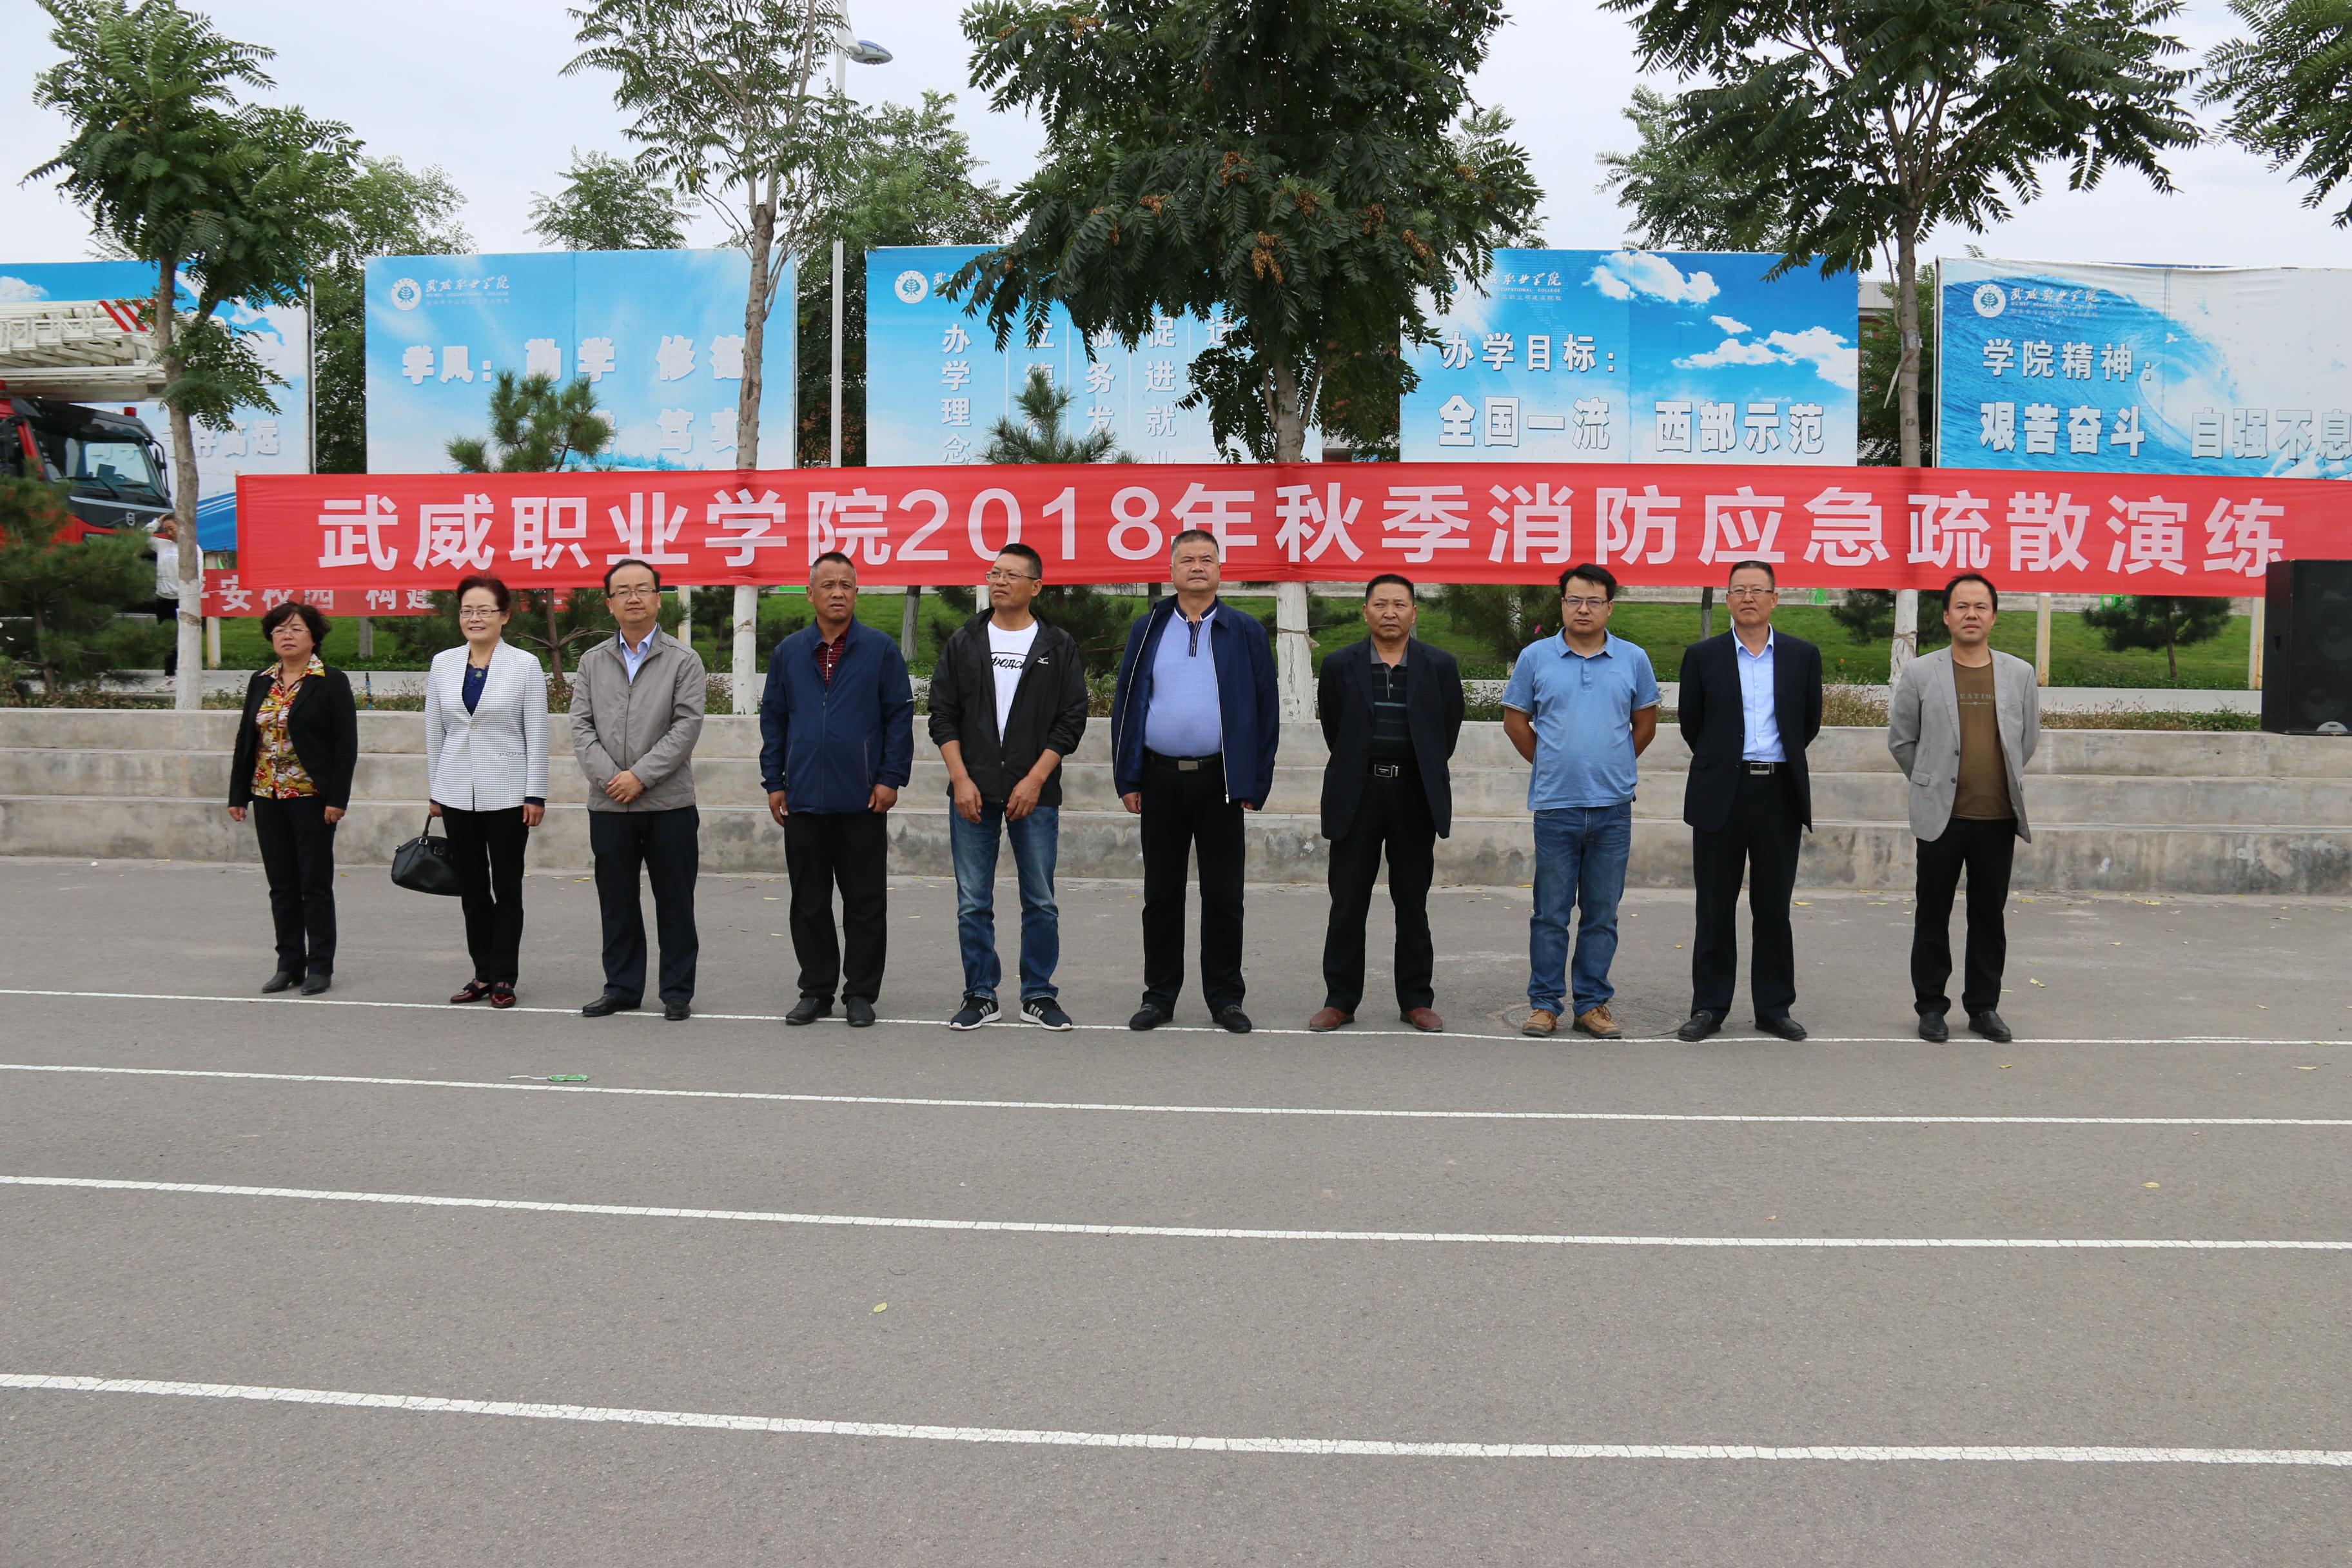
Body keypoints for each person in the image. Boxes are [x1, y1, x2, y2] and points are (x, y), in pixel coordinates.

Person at [1109, 528, 1279, 1034]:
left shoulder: (1244, 630)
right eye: (1188, 560)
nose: (1198, 567)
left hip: (1220, 780)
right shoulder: (1148, 628)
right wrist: (1128, 776)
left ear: (1221, 570)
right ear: (1172, 570)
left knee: (1224, 896)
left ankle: (1226, 998)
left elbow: (1266, 709)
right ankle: (1159, 996)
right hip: (1159, 778)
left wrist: (1255, 780)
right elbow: (1127, 703)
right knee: (1161, 895)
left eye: (1207, 559)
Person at [928, 542, 1089, 1030]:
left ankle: (1038, 994)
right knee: (973, 901)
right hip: (972, 791)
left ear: (1035, 587)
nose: (999, 581)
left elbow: (1071, 721)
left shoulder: (1057, 645)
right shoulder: (965, 641)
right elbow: (942, 715)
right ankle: (980, 993)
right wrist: (960, 779)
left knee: (1040, 899)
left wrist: (1036, 779)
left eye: (1011, 575)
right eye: (994, 573)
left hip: (1035, 793)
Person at [1502, 562, 1660, 1040]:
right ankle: (1545, 1004)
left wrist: (1613, 764)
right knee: (1550, 913)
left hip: (1613, 808)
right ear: (1562, 605)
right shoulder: (1536, 657)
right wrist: (1552, 762)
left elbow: (1645, 724)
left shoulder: (1633, 658)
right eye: (1574, 599)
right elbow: (1515, 721)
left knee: (1602, 913)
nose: (1583, 609)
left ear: (1610, 607)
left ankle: (1592, 1004)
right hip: (1556, 807)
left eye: (1594, 600)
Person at [759, 551, 914, 1029]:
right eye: (827, 585)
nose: (838, 593)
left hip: (863, 798)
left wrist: (890, 777)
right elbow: (774, 720)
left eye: (846, 584)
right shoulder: (790, 652)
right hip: (803, 796)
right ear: (810, 594)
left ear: (857, 593)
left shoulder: (880, 649)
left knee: (865, 901)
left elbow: (899, 716)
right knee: (809, 901)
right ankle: (816, 990)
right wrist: (774, 781)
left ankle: (861, 993)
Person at [1674, 560, 1825, 1042]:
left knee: (1773, 907)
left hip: (1779, 792)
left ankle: (1774, 1008)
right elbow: (1692, 723)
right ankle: (1709, 1007)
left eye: (1758, 590)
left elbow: (1808, 723)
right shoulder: (1703, 656)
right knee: (1714, 907)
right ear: (1727, 599)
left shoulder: (1803, 655)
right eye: (1738, 590)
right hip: (1722, 790)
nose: (1748, 598)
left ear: (1775, 599)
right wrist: (1725, 761)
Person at [1889, 571, 2040, 1044]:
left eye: (1980, 607)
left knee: (1989, 917)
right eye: (1961, 606)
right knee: (1932, 915)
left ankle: (1983, 1007)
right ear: (1946, 616)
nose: (1971, 614)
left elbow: (2026, 740)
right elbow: (1902, 741)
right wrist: (1931, 780)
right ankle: (1931, 1007)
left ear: (1993, 617)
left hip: (1997, 816)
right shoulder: (1921, 673)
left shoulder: (2019, 674)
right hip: (1941, 817)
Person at [1309, 573, 1464, 1034]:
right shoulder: (1339, 665)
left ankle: (1416, 1000)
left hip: (1414, 794)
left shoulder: (1439, 665)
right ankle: (1340, 1000)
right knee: (1347, 902)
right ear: (1366, 612)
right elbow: (1335, 729)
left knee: (1412, 902)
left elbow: (1445, 733)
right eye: (1380, 604)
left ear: (1415, 612)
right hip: (1357, 794)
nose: (1390, 613)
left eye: (1400, 604)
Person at [571, 558, 706, 1023]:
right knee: (617, 903)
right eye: (623, 591)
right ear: (609, 603)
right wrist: (612, 779)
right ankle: (622, 987)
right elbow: (581, 727)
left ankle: (676, 990)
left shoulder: (683, 660)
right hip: (609, 803)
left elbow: (686, 726)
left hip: (669, 804)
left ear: (658, 599)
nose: (634, 598)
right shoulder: (592, 662)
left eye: (643, 589)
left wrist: (641, 777)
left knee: (675, 901)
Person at [425, 574, 549, 1010]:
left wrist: (536, 794)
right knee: (472, 889)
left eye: (484, 610)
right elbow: (435, 732)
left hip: (509, 795)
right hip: (457, 793)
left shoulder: (524, 665)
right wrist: (436, 790)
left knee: (508, 888)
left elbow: (537, 734)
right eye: (467, 610)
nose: (474, 618)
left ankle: (504, 976)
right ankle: (482, 973)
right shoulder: (443, 664)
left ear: (505, 616)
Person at [227, 601, 357, 995]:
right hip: (267, 794)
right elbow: (246, 739)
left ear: (313, 637)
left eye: (296, 629)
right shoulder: (261, 681)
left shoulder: (330, 681)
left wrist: (337, 799)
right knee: (281, 885)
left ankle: (320, 966)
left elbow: (345, 744)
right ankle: (289, 964)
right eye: (280, 629)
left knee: (314, 884)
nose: (287, 636)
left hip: (311, 797)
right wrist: (238, 794)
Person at [148, 520, 180, 678]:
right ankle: (170, 672)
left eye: (172, 528)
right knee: (168, 636)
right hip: (164, 598)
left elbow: (198, 576)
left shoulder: (193, 548)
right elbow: (141, 536)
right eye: (166, 530)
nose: (169, 533)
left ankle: (187, 669)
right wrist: (158, 521)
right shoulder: (162, 545)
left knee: (185, 636)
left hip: (183, 599)